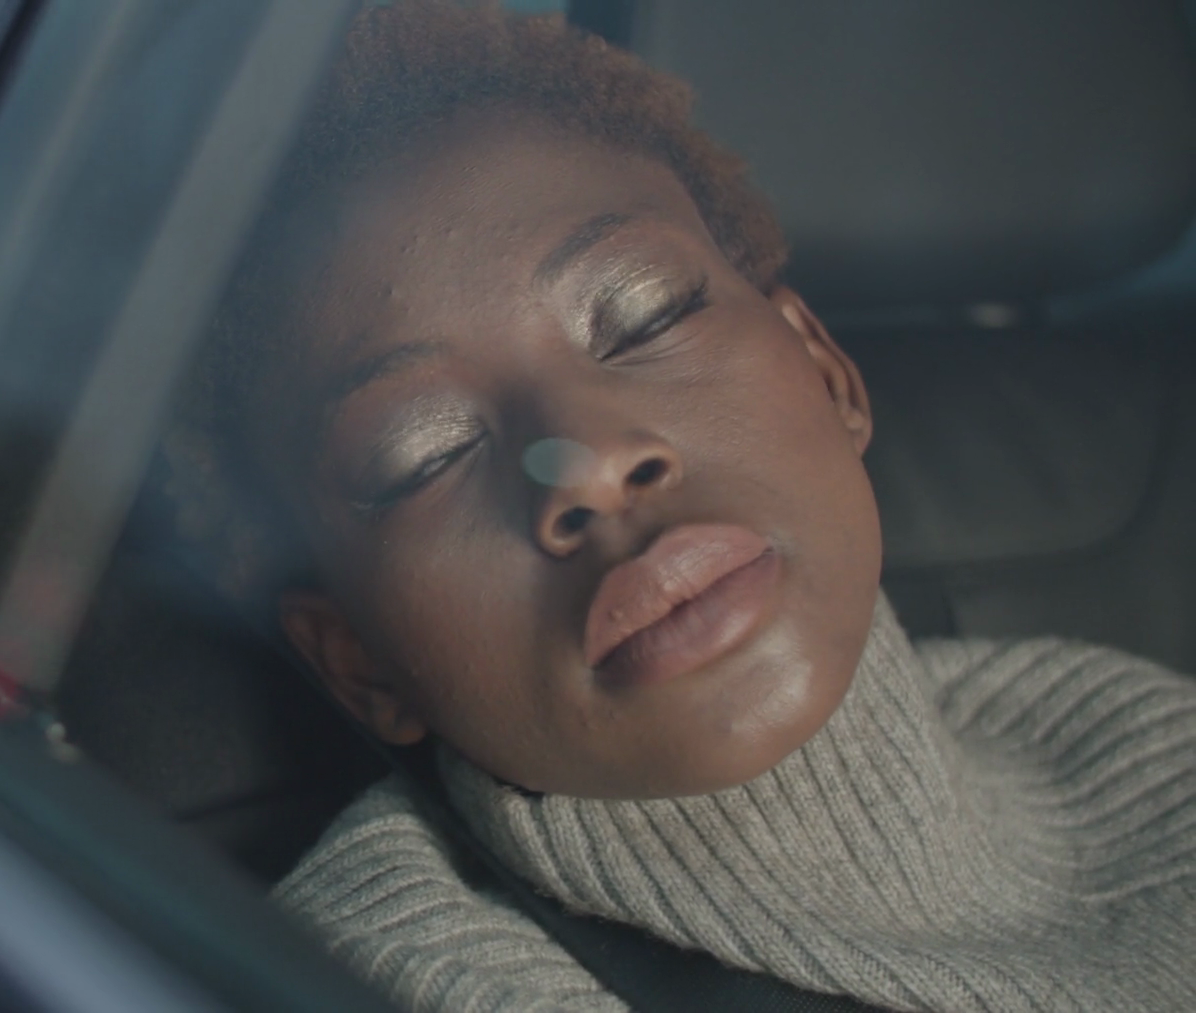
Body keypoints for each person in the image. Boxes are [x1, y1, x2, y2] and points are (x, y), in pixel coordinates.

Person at [162, 2, 1196, 1010]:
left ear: (825, 372)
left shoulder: (1130, 738)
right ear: (358, 661)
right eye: (428, 453)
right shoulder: (372, 975)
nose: (587, 466)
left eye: (644, 316)